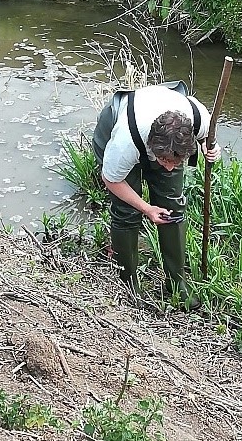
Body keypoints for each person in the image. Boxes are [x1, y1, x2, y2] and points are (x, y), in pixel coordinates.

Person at [92, 81, 221, 310]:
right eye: (164, 161)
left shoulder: (198, 118)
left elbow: (206, 140)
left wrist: (210, 148)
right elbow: (111, 180)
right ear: (153, 148)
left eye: (176, 162)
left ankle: (176, 283)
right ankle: (128, 283)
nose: (170, 168)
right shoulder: (125, 141)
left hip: (163, 138)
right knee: (126, 212)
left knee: (172, 209)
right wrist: (146, 208)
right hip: (117, 126)